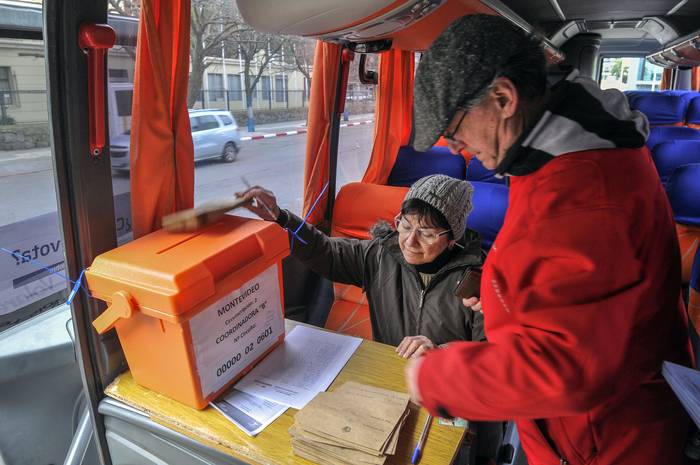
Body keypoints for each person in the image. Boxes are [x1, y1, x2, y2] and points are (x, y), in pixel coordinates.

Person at [404, 14, 692, 465]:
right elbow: (569, 279)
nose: (455, 147)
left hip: (604, 440)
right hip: (586, 427)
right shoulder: (558, 147)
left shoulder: (581, 194)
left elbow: (565, 372)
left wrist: (435, 378)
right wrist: (507, 295)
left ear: (502, 98)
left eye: (455, 128)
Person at [238, 174, 501, 462]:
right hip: (393, 386)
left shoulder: (480, 280)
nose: (410, 241)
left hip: (453, 395)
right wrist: (281, 218)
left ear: (452, 238)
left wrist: (442, 352)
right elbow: (325, 251)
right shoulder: (381, 254)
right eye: (405, 224)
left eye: (426, 233)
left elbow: (495, 355)